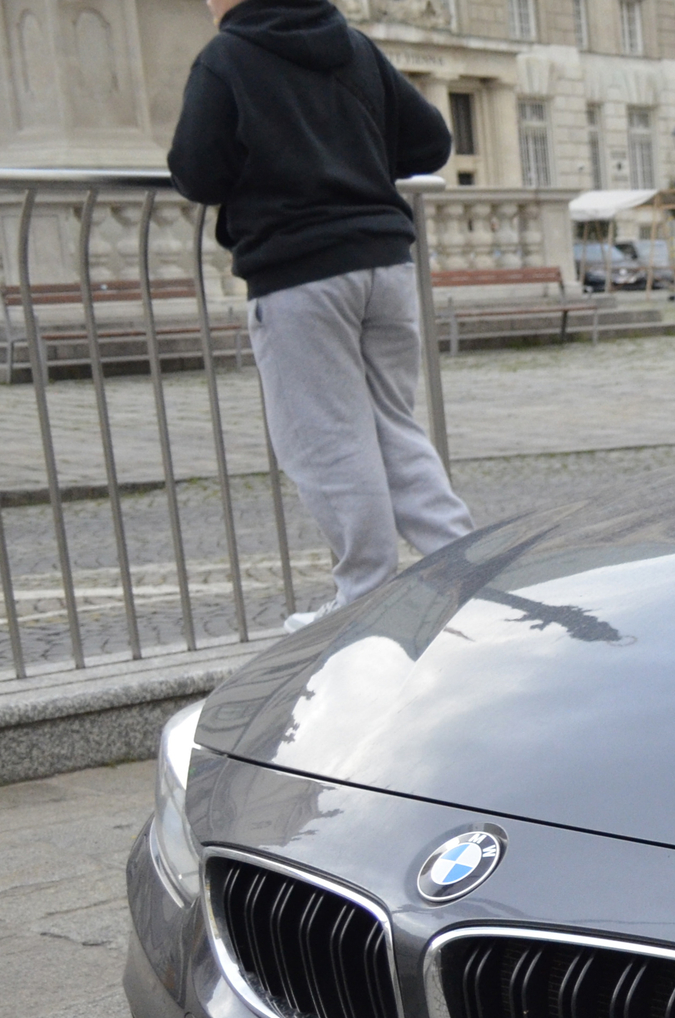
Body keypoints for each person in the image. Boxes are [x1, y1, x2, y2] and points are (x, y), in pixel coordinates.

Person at [168, 0, 474, 635]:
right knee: (394, 425)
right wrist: (349, 159)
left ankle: (365, 599)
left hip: (300, 272)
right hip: (385, 261)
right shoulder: (352, 45)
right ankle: (466, 571)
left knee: (327, 439)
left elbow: (197, 171)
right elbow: (432, 141)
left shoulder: (226, 58)